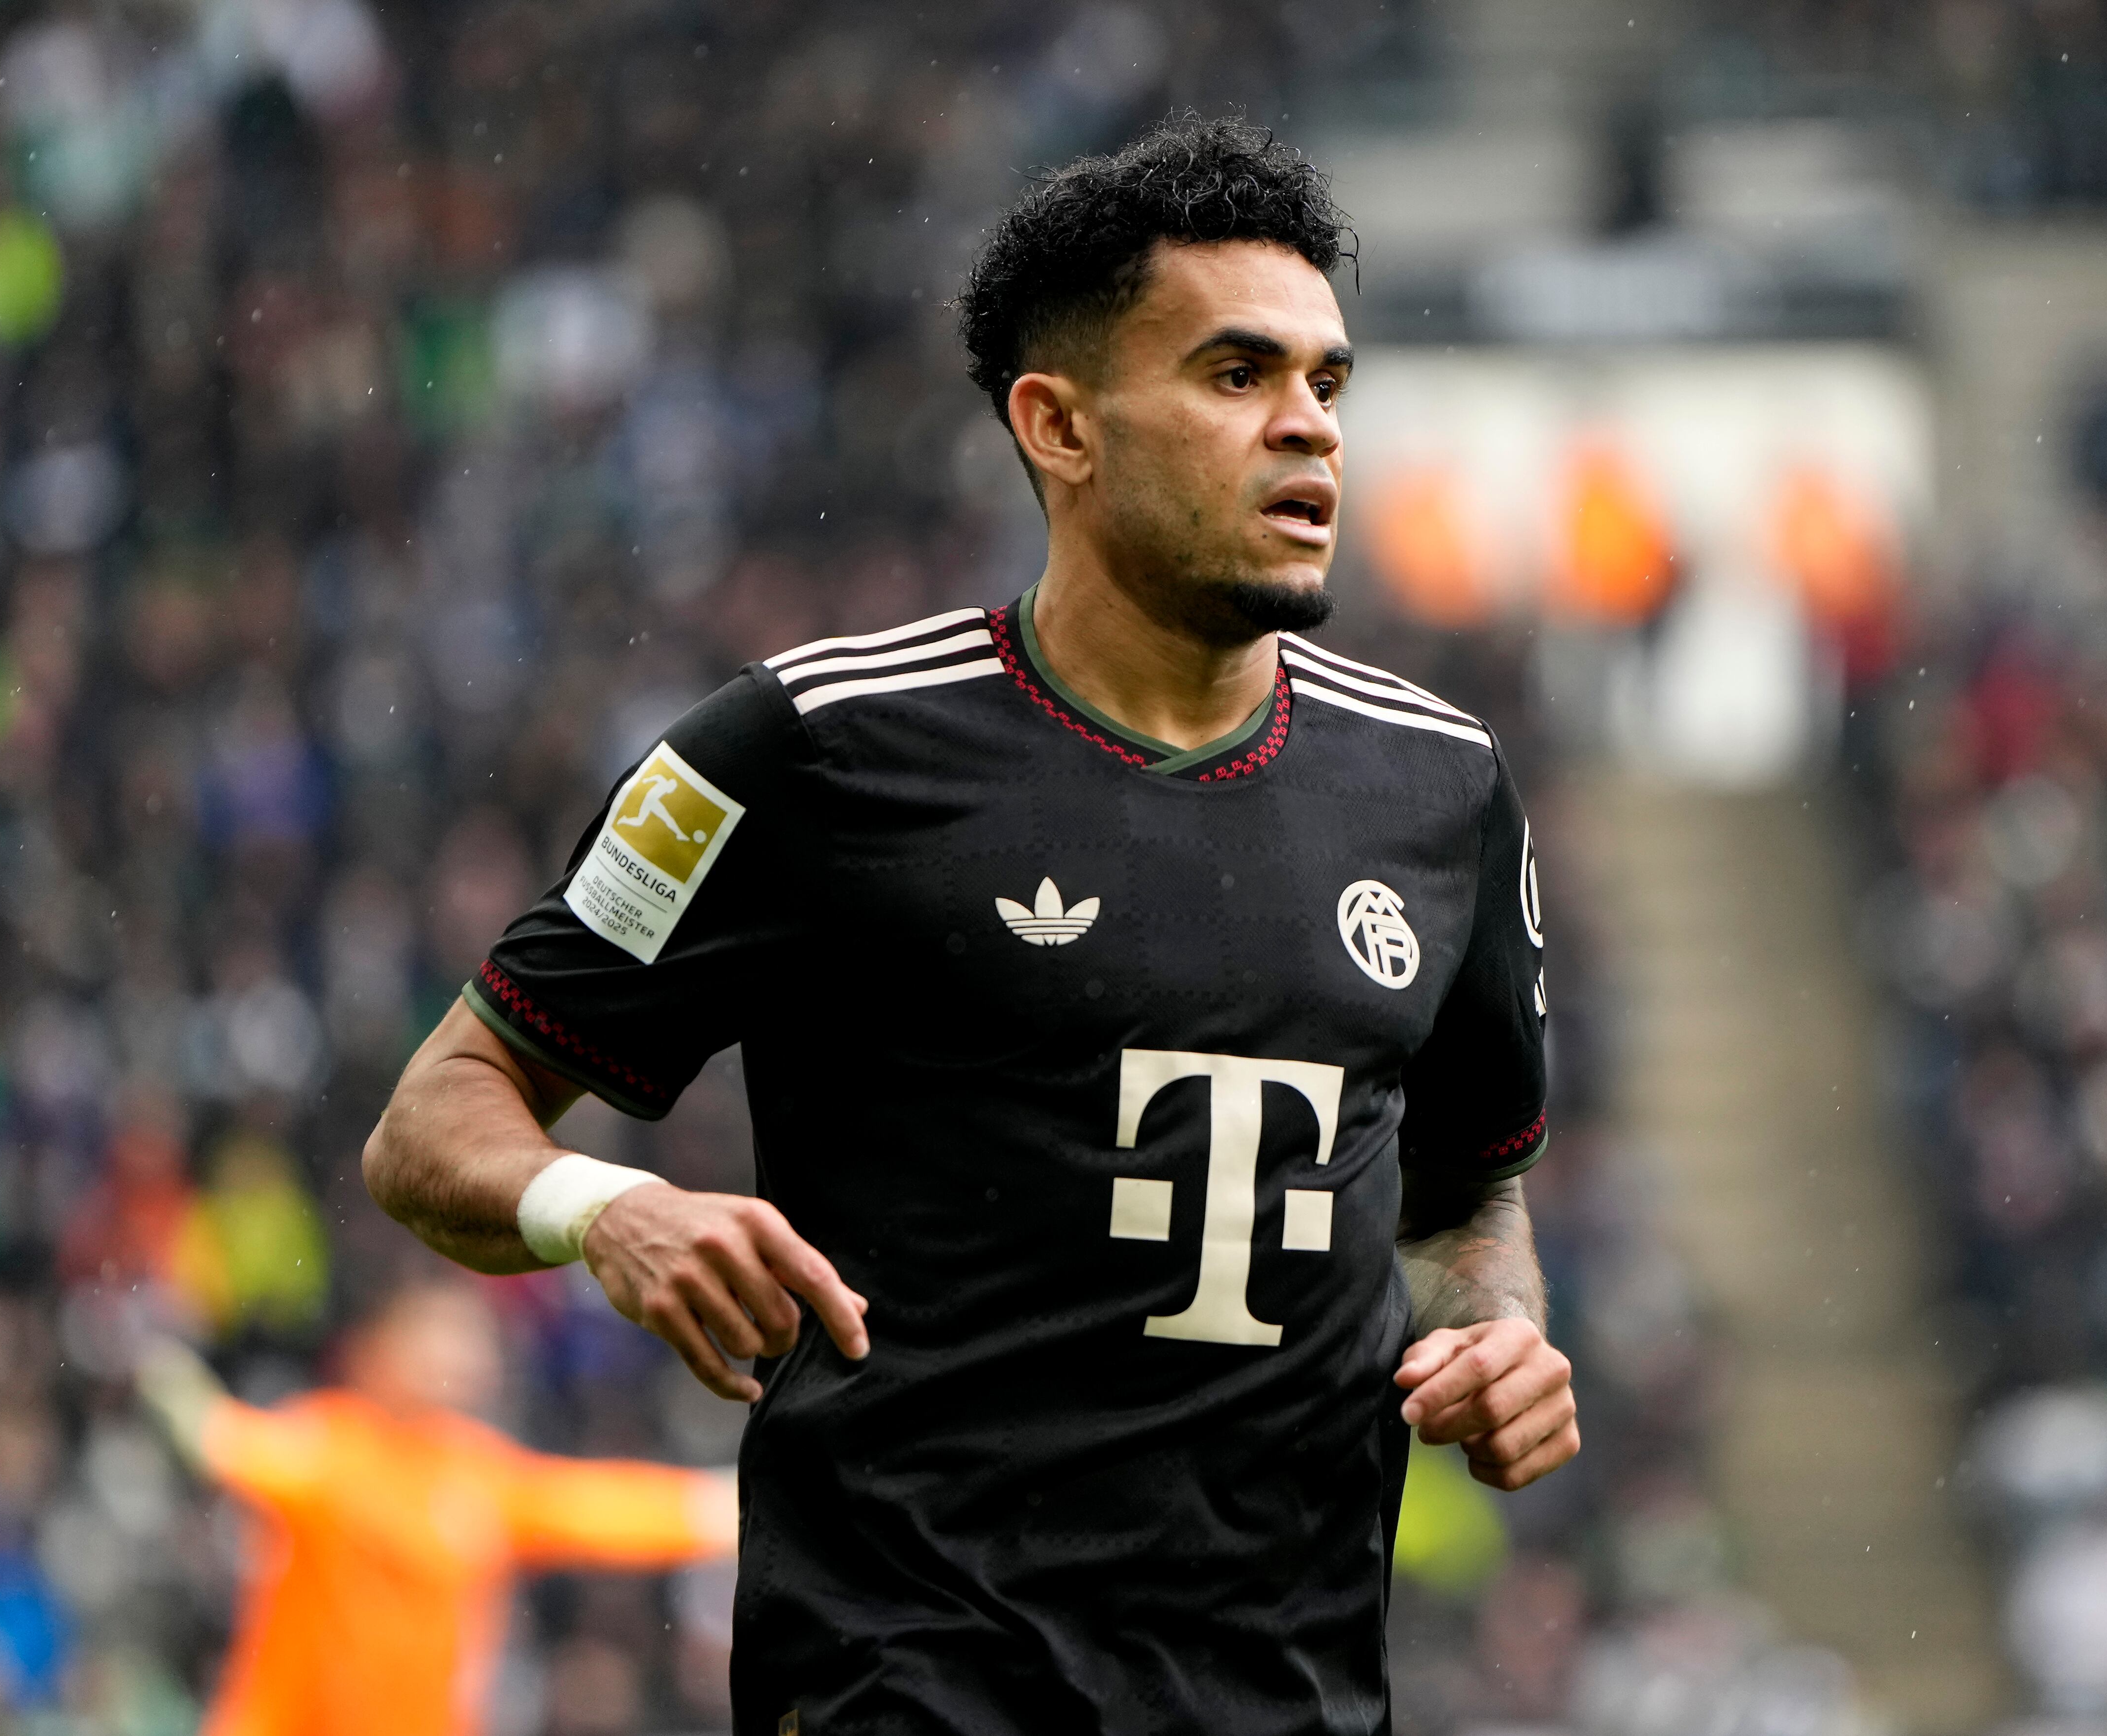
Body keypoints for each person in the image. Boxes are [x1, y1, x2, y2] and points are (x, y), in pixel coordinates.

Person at [362, 114, 1578, 1734]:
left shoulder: (1442, 793)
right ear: (1058, 426)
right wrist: (610, 1210)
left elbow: (1465, 1209)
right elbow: (433, 1124)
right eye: (1237, 377)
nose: (1309, 432)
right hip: (912, 1684)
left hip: (1287, 1694)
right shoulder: (807, 748)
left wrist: (1499, 1335)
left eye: (1327, 384)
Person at [136, 1283, 737, 1736]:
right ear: (379, 1348)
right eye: (442, 1335)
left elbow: (596, 1509)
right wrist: (157, 1360)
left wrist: (731, 1507)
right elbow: (220, 1440)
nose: (464, 1357)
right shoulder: (330, 1444)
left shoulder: (476, 1472)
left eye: (473, 1339)